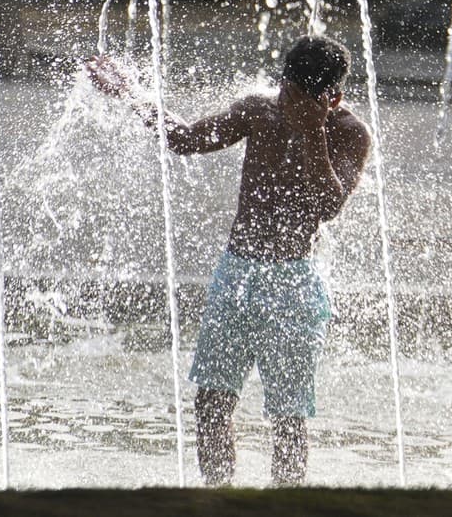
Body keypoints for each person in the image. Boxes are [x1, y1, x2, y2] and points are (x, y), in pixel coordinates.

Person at [87, 35, 371, 486]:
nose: (287, 104)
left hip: (293, 286)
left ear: (331, 98)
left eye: (301, 100)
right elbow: (182, 139)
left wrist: (313, 131)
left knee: (289, 415)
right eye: (285, 91)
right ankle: (218, 497)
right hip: (236, 275)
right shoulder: (261, 111)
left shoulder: (350, 133)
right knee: (212, 402)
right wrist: (131, 92)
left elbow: (329, 206)